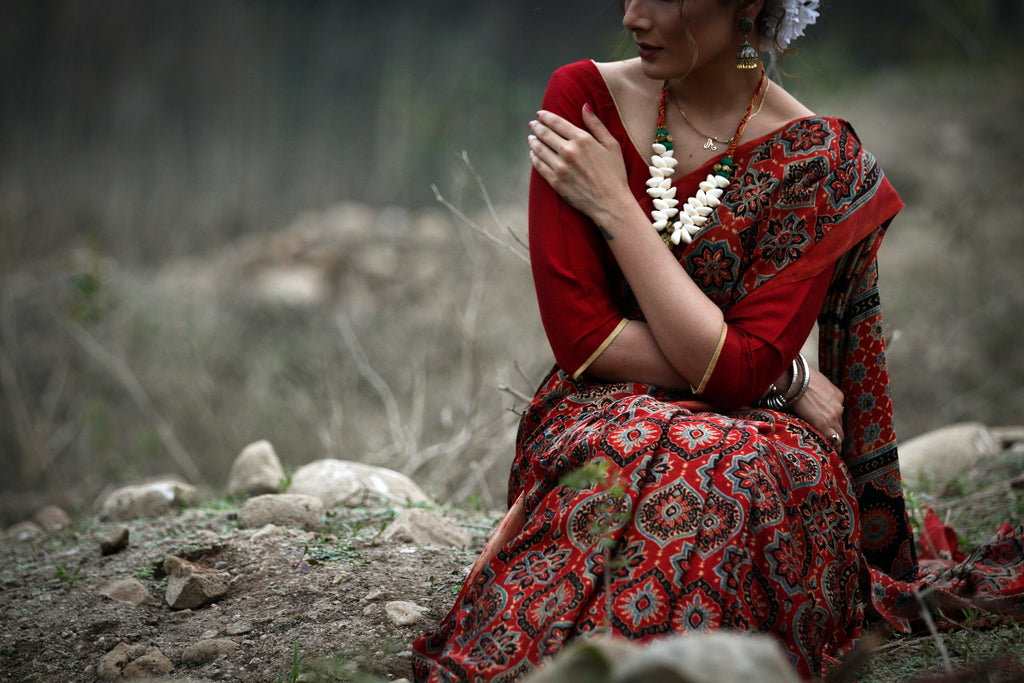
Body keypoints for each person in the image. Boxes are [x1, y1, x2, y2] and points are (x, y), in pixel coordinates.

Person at [413, 1, 1024, 680]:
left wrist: (618, 208)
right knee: (641, 448)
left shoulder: (813, 155)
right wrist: (782, 375)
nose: (635, 14)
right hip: (602, 407)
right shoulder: (583, 102)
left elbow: (737, 373)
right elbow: (584, 338)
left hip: (763, 435)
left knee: (722, 475)